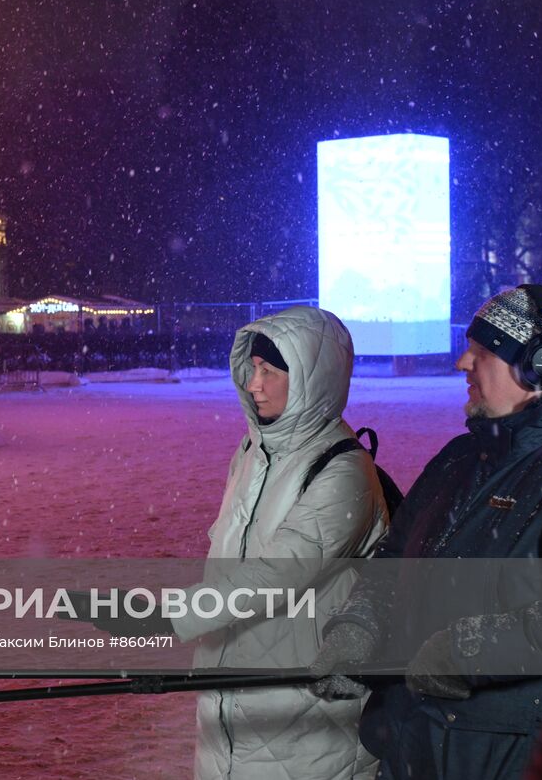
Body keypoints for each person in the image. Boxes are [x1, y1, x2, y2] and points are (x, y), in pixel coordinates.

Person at [311, 285, 542, 779]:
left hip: (509, 760)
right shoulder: (460, 457)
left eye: (484, 350)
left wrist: (471, 649)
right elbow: (394, 560)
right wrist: (359, 628)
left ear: (541, 367)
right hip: (418, 745)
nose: (462, 363)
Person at [139, 306, 391, 779]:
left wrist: (167, 615)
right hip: (228, 699)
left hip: (304, 714)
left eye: (269, 371)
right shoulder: (254, 451)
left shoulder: (344, 472)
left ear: (313, 380)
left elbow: (278, 571)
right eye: (252, 368)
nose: (254, 383)